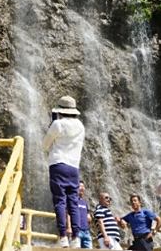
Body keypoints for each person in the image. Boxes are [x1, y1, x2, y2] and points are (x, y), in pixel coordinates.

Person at [43, 95, 85, 248]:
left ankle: (62, 236)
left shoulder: (57, 124)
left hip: (58, 164)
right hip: (74, 167)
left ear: (60, 110)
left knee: (60, 200)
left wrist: (52, 124)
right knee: (73, 202)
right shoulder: (81, 126)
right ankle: (76, 237)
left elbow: (45, 145)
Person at [71, 181, 93, 248]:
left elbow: (88, 215)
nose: (82, 188)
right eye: (80, 186)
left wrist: (89, 217)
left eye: (83, 186)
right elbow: (68, 214)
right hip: (76, 231)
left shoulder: (84, 202)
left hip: (86, 231)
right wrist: (69, 228)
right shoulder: (72, 200)